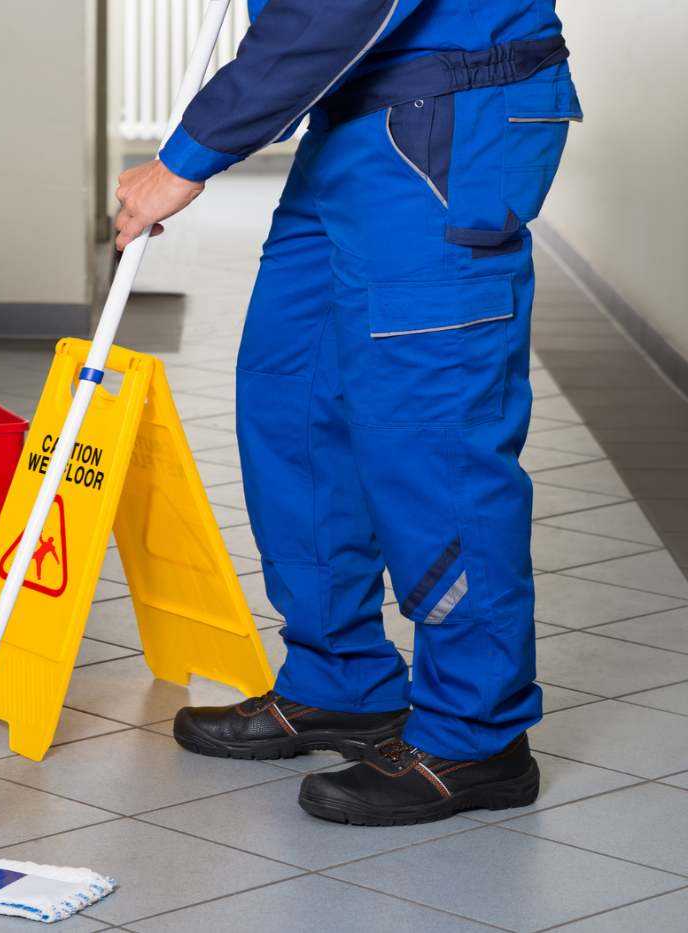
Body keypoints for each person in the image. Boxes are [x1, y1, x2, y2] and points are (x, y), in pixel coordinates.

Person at [114, 0, 580, 825]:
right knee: (292, 402)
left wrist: (186, 158)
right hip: (355, 111)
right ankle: (343, 682)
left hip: (449, 116)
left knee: (432, 436)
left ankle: (479, 734)